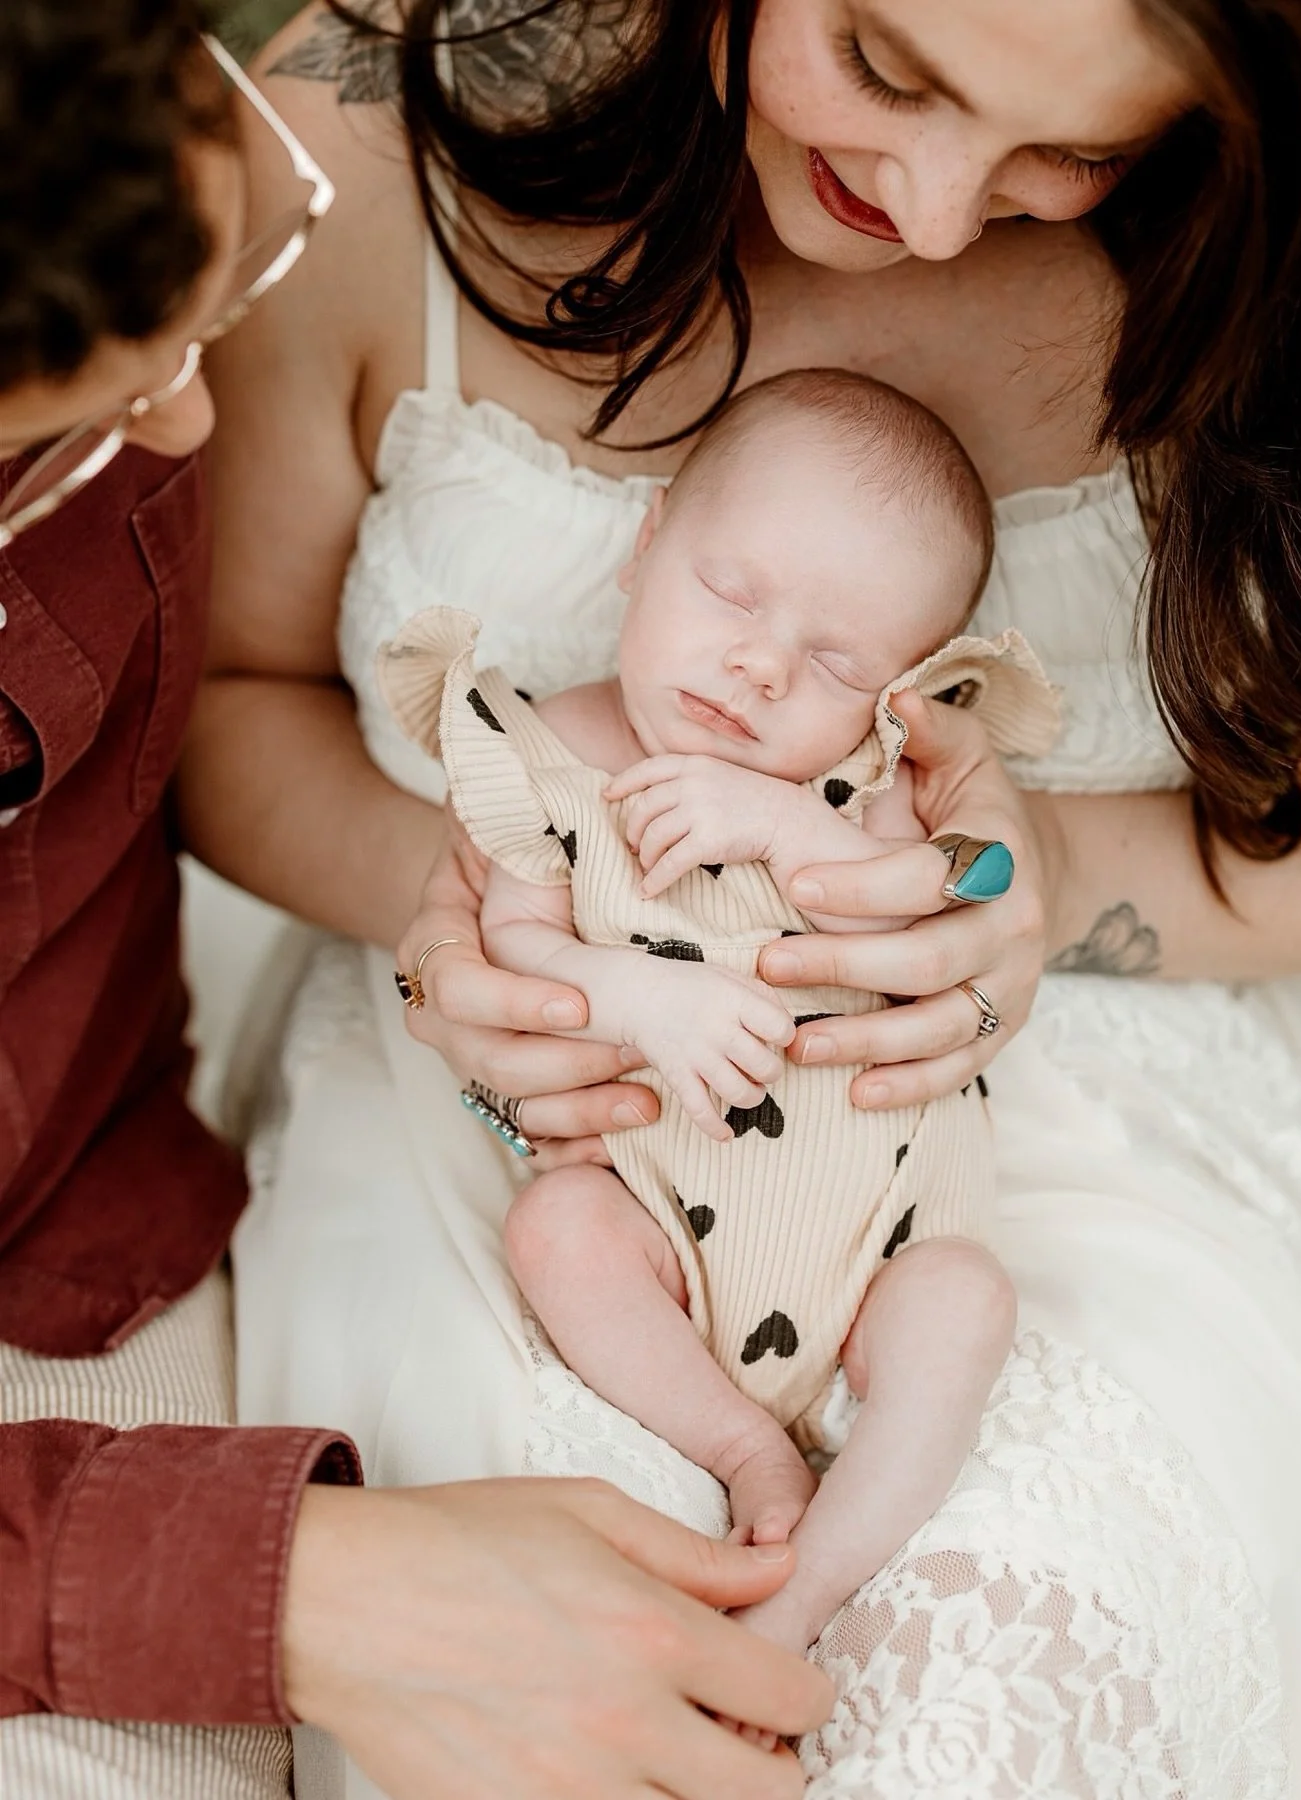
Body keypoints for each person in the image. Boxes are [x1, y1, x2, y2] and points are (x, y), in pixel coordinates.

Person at [185, 0, 1301, 1793]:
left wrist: (1056, 878)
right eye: (883, 67)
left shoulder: (1300, 260)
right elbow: (225, 712)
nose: (934, 210)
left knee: (1008, 1671)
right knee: (552, 1620)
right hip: (512, 1076)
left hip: (1056, 1103)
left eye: (1072, 151)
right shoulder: (374, 142)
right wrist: (497, 918)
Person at [0, 8, 832, 1800]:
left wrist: (483, 907)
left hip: (94, 1218)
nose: (187, 419)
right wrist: (296, 1588)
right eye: (68, 428)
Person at [381, 368, 1057, 1657]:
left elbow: (922, 929)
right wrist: (639, 994)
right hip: (656, 1214)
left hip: (875, 1237)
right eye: (732, 595)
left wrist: (792, 822)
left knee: (964, 1304)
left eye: (836, 661)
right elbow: (515, 939)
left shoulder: (868, 792)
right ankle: (745, 1447)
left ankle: (812, 1586)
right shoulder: (550, 755)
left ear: (898, 698)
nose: (758, 664)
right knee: (559, 1231)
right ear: (644, 551)